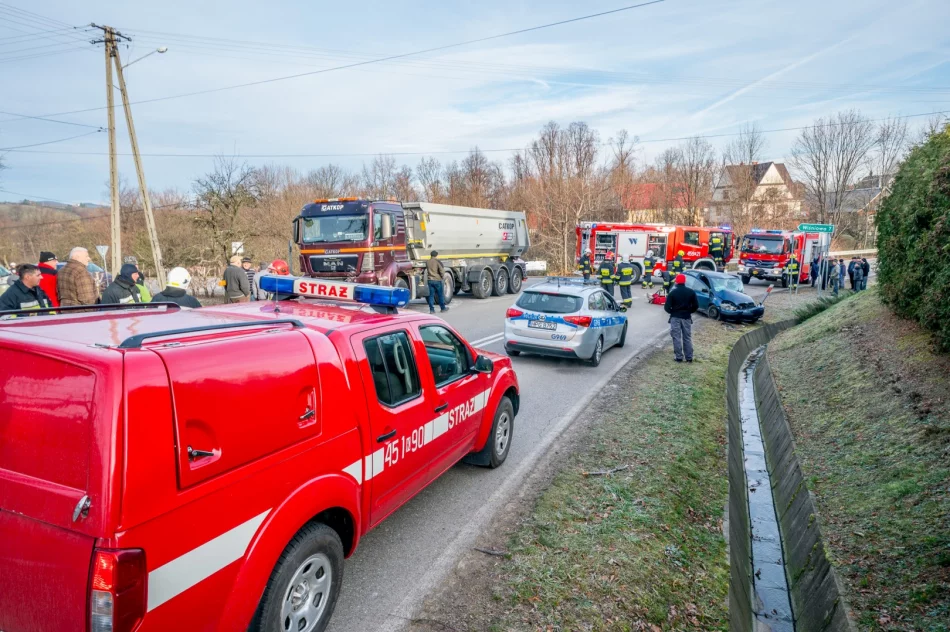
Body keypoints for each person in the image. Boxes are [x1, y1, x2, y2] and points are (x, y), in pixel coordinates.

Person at [664, 273, 699, 363]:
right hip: (686, 317)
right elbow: (696, 306)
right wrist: (689, 311)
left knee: (676, 337)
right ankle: (689, 357)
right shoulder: (691, 292)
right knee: (687, 337)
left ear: (676, 282)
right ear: (685, 281)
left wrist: (673, 312)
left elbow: (667, 307)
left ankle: (679, 357)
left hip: (675, 317)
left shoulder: (672, 293)